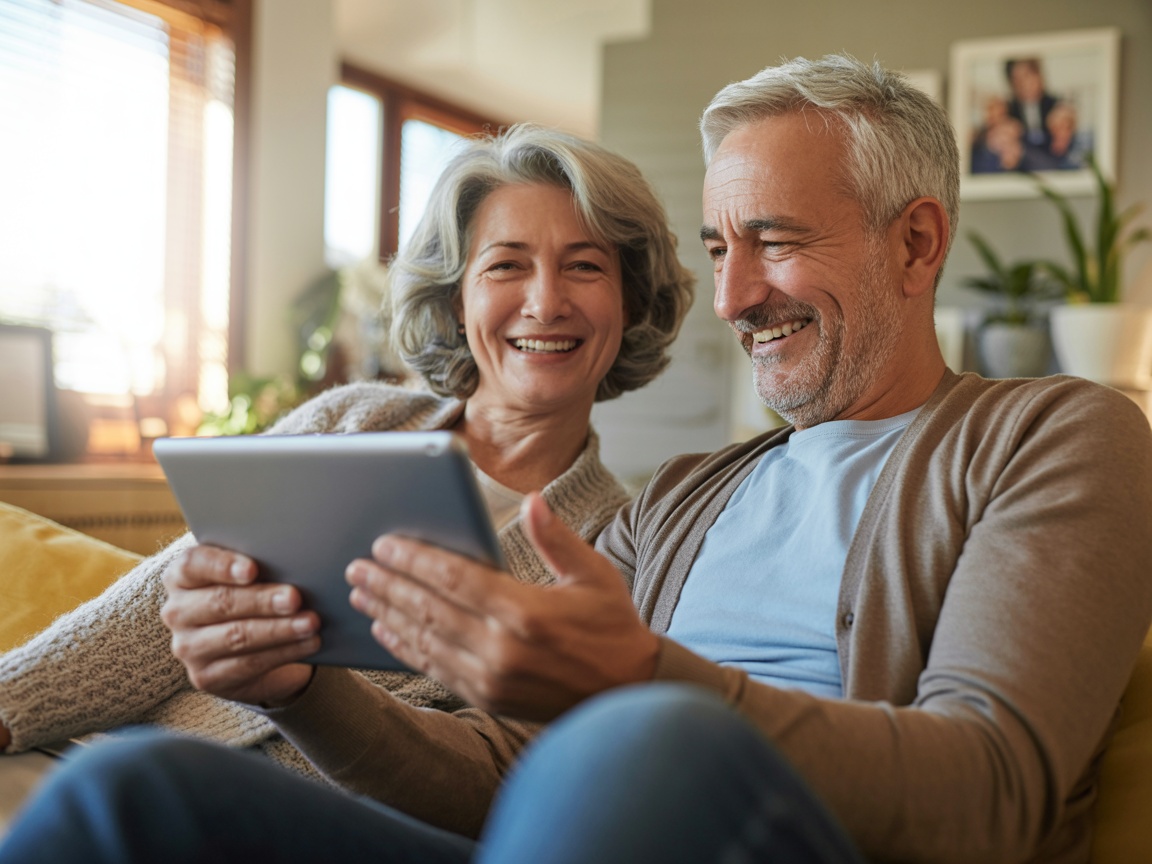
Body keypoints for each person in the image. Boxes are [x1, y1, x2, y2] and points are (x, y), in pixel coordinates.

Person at [3, 53, 1151, 864]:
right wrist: (306, 692)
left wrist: (642, 683)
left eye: (778, 241)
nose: (739, 297)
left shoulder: (1054, 436)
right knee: (127, 791)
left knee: (647, 744)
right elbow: (506, 777)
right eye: (719, 248)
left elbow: (997, 793)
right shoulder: (688, 498)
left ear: (916, 242)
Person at [0, 123, 693, 793]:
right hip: (126, 761)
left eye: (584, 267)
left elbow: (492, 775)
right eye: (507, 265)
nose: (545, 302)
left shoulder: (623, 547)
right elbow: (169, 598)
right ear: (457, 302)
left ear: (630, 302)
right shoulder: (354, 418)